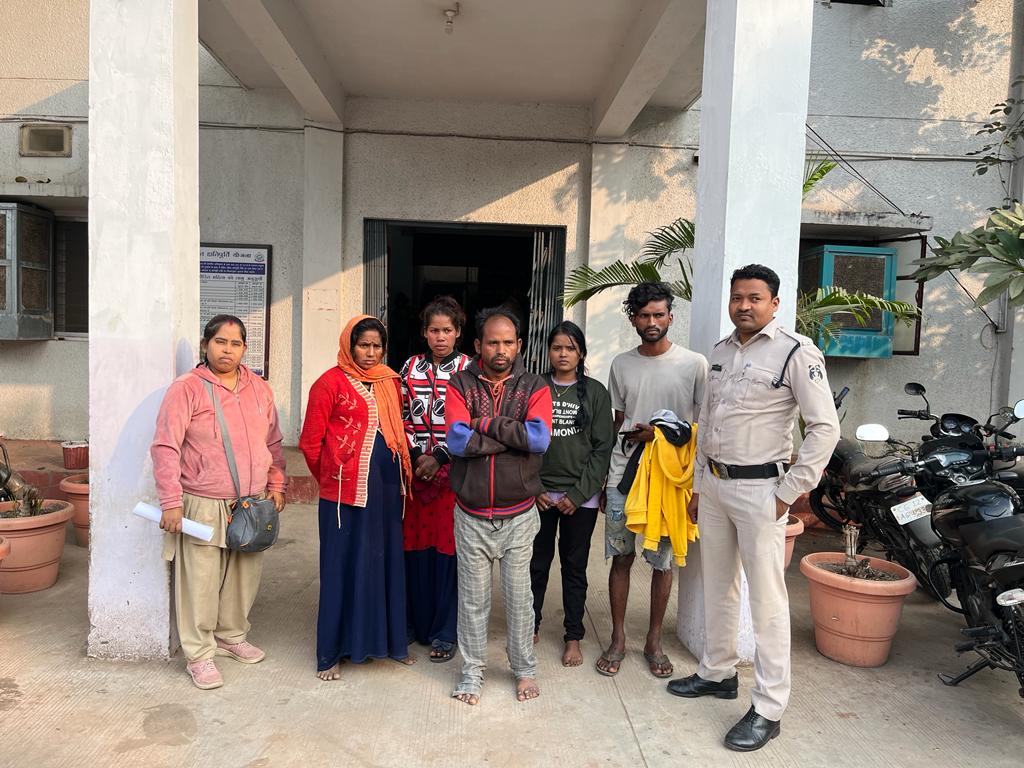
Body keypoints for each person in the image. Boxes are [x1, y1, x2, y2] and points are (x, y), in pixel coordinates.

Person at [667, 264, 840, 753]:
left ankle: (769, 707)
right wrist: (698, 486)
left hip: (762, 491)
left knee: (767, 602)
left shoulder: (796, 353)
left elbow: (825, 428)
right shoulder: (721, 352)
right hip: (716, 486)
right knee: (717, 585)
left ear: (774, 303)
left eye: (754, 298)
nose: (744, 305)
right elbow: (707, 421)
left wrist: (789, 492)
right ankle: (717, 672)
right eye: (737, 297)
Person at [152, 314, 287, 691]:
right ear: (205, 345)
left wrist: (277, 483)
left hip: (252, 501)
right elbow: (165, 447)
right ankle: (199, 654)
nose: (227, 350)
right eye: (220, 342)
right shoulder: (187, 389)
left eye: (235, 343)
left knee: (244, 576)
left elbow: (273, 442)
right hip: (203, 501)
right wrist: (171, 501)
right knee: (201, 580)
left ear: (244, 348)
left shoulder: (260, 389)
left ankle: (231, 635)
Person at [596, 282, 707, 680]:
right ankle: (618, 638)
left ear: (671, 317)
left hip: (669, 480)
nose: (652, 321)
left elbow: (702, 426)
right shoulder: (621, 364)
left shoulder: (694, 364)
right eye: (644, 315)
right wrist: (603, 475)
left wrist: (660, 437)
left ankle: (654, 641)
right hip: (623, 475)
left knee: (663, 563)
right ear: (633, 320)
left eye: (659, 314)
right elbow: (617, 421)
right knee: (620, 557)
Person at [445, 307, 553, 705]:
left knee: (519, 599)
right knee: (473, 600)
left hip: (519, 513)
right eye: (493, 342)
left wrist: (484, 423)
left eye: (508, 342)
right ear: (478, 345)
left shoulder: (535, 386)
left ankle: (524, 669)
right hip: (471, 514)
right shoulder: (460, 383)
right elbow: (457, 441)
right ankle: (472, 673)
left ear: (519, 345)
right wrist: (514, 437)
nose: (501, 349)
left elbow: (539, 440)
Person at [299, 315, 416, 681]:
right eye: (363, 345)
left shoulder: (389, 381)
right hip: (343, 498)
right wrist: (333, 479)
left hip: (385, 491)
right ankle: (332, 653)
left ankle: (390, 644)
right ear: (349, 346)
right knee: (342, 567)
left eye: (377, 346)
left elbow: (397, 431)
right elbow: (310, 443)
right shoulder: (328, 383)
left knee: (383, 563)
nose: (370, 353)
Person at [530, 321, 614, 667]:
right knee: (535, 563)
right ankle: (531, 625)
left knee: (574, 567)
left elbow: (602, 448)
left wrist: (578, 494)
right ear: (548, 351)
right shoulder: (534, 387)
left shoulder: (595, 393)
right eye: (557, 347)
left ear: (581, 353)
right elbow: (521, 441)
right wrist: (534, 486)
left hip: (580, 499)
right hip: (538, 496)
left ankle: (573, 636)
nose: (563, 354)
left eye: (570, 348)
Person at [400, 296, 472, 663]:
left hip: (452, 477)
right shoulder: (410, 367)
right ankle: (415, 624)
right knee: (414, 551)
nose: (440, 337)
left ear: (458, 332)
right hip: (415, 474)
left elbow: (470, 421)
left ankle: (445, 631)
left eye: (447, 330)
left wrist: (440, 457)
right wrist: (417, 456)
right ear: (424, 333)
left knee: (448, 553)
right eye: (434, 330)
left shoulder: (469, 370)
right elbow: (400, 416)